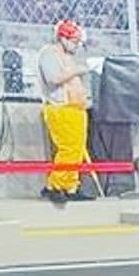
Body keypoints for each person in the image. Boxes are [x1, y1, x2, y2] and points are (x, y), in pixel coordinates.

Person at [36, 19, 95, 206]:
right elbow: (53, 79)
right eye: (75, 41)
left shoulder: (68, 57)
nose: (77, 46)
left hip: (76, 108)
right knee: (67, 148)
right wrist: (77, 71)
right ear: (63, 38)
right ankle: (55, 185)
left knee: (76, 150)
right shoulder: (49, 54)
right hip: (60, 107)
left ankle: (70, 185)